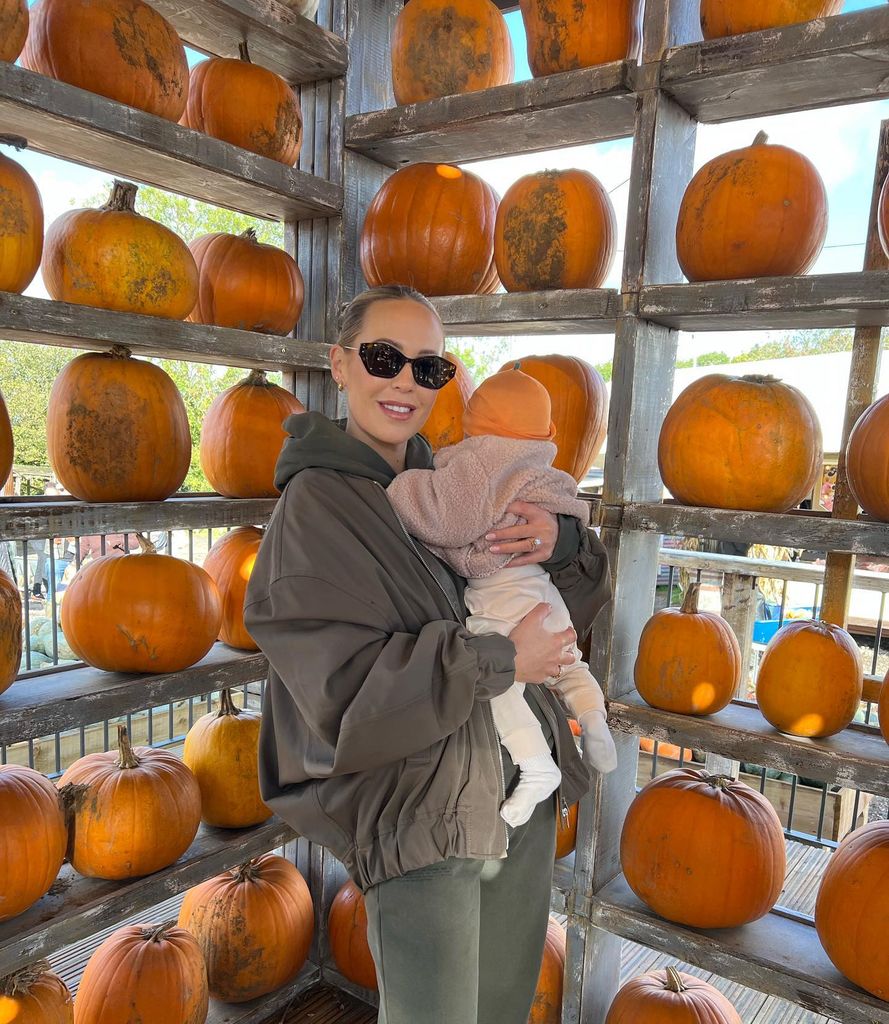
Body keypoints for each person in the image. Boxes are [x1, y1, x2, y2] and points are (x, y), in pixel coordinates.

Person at [245, 285, 611, 1024]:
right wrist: (500, 659)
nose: (405, 381)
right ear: (340, 365)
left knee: (503, 1006)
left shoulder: (454, 483)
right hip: (420, 812)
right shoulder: (317, 508)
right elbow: (344, 694)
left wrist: (559, 538)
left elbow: (569, 601)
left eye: (429, 367)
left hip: (511, 794)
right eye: (384, 358)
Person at [386, 365, 617, 828]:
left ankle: (534, 765)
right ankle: (593, 718)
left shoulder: (478, 464)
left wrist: (401, 489)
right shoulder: (545, 468)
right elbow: (574, 508)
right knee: (570, 665)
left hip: (502, 598)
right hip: (545, 596)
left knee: (498, 678)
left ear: (472, 422)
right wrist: (565, 535)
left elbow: (446, 517)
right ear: (549, 431)